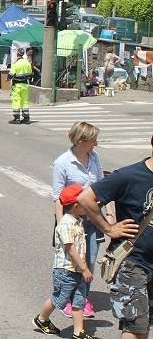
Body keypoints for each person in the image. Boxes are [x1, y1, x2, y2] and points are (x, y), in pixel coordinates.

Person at [77, 135, 153, 339]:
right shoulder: (129, 176)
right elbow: (85, 198)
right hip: (133, 263)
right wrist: (108, 228)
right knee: (137, 329)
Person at [51, 122, 104, 319]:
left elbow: (101, 187)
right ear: (81, 141)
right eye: (93, 140)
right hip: (73, 222)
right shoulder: (62, 163)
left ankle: (82, 298)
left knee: (89, 260)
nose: (96, 144)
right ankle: (71, 301)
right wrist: (61, 225)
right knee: (74, 261)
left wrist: (109, 216)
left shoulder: (94, 157)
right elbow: (57, 197)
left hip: (93, 218)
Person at [33, 184, 94, 339]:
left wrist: (83, 267)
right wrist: (85, 268)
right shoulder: (66, 224)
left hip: (78, 270)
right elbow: (71, 248)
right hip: (66, 270)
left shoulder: (78, 220)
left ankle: (78, 332)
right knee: (59, 298)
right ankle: (41, 319)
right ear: (76, 206)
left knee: (79, 300)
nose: (89, 205)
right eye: (85, 203)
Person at [8, 47, 33, 124]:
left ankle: (17, 118)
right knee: (24, 101)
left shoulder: (16, 64)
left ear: (17, 54)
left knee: (16, 101)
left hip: (17, 85)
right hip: (25, 85)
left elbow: (10, 75)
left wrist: (8, 79)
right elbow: (30, 74)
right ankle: (26, 118)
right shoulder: (27, 63)